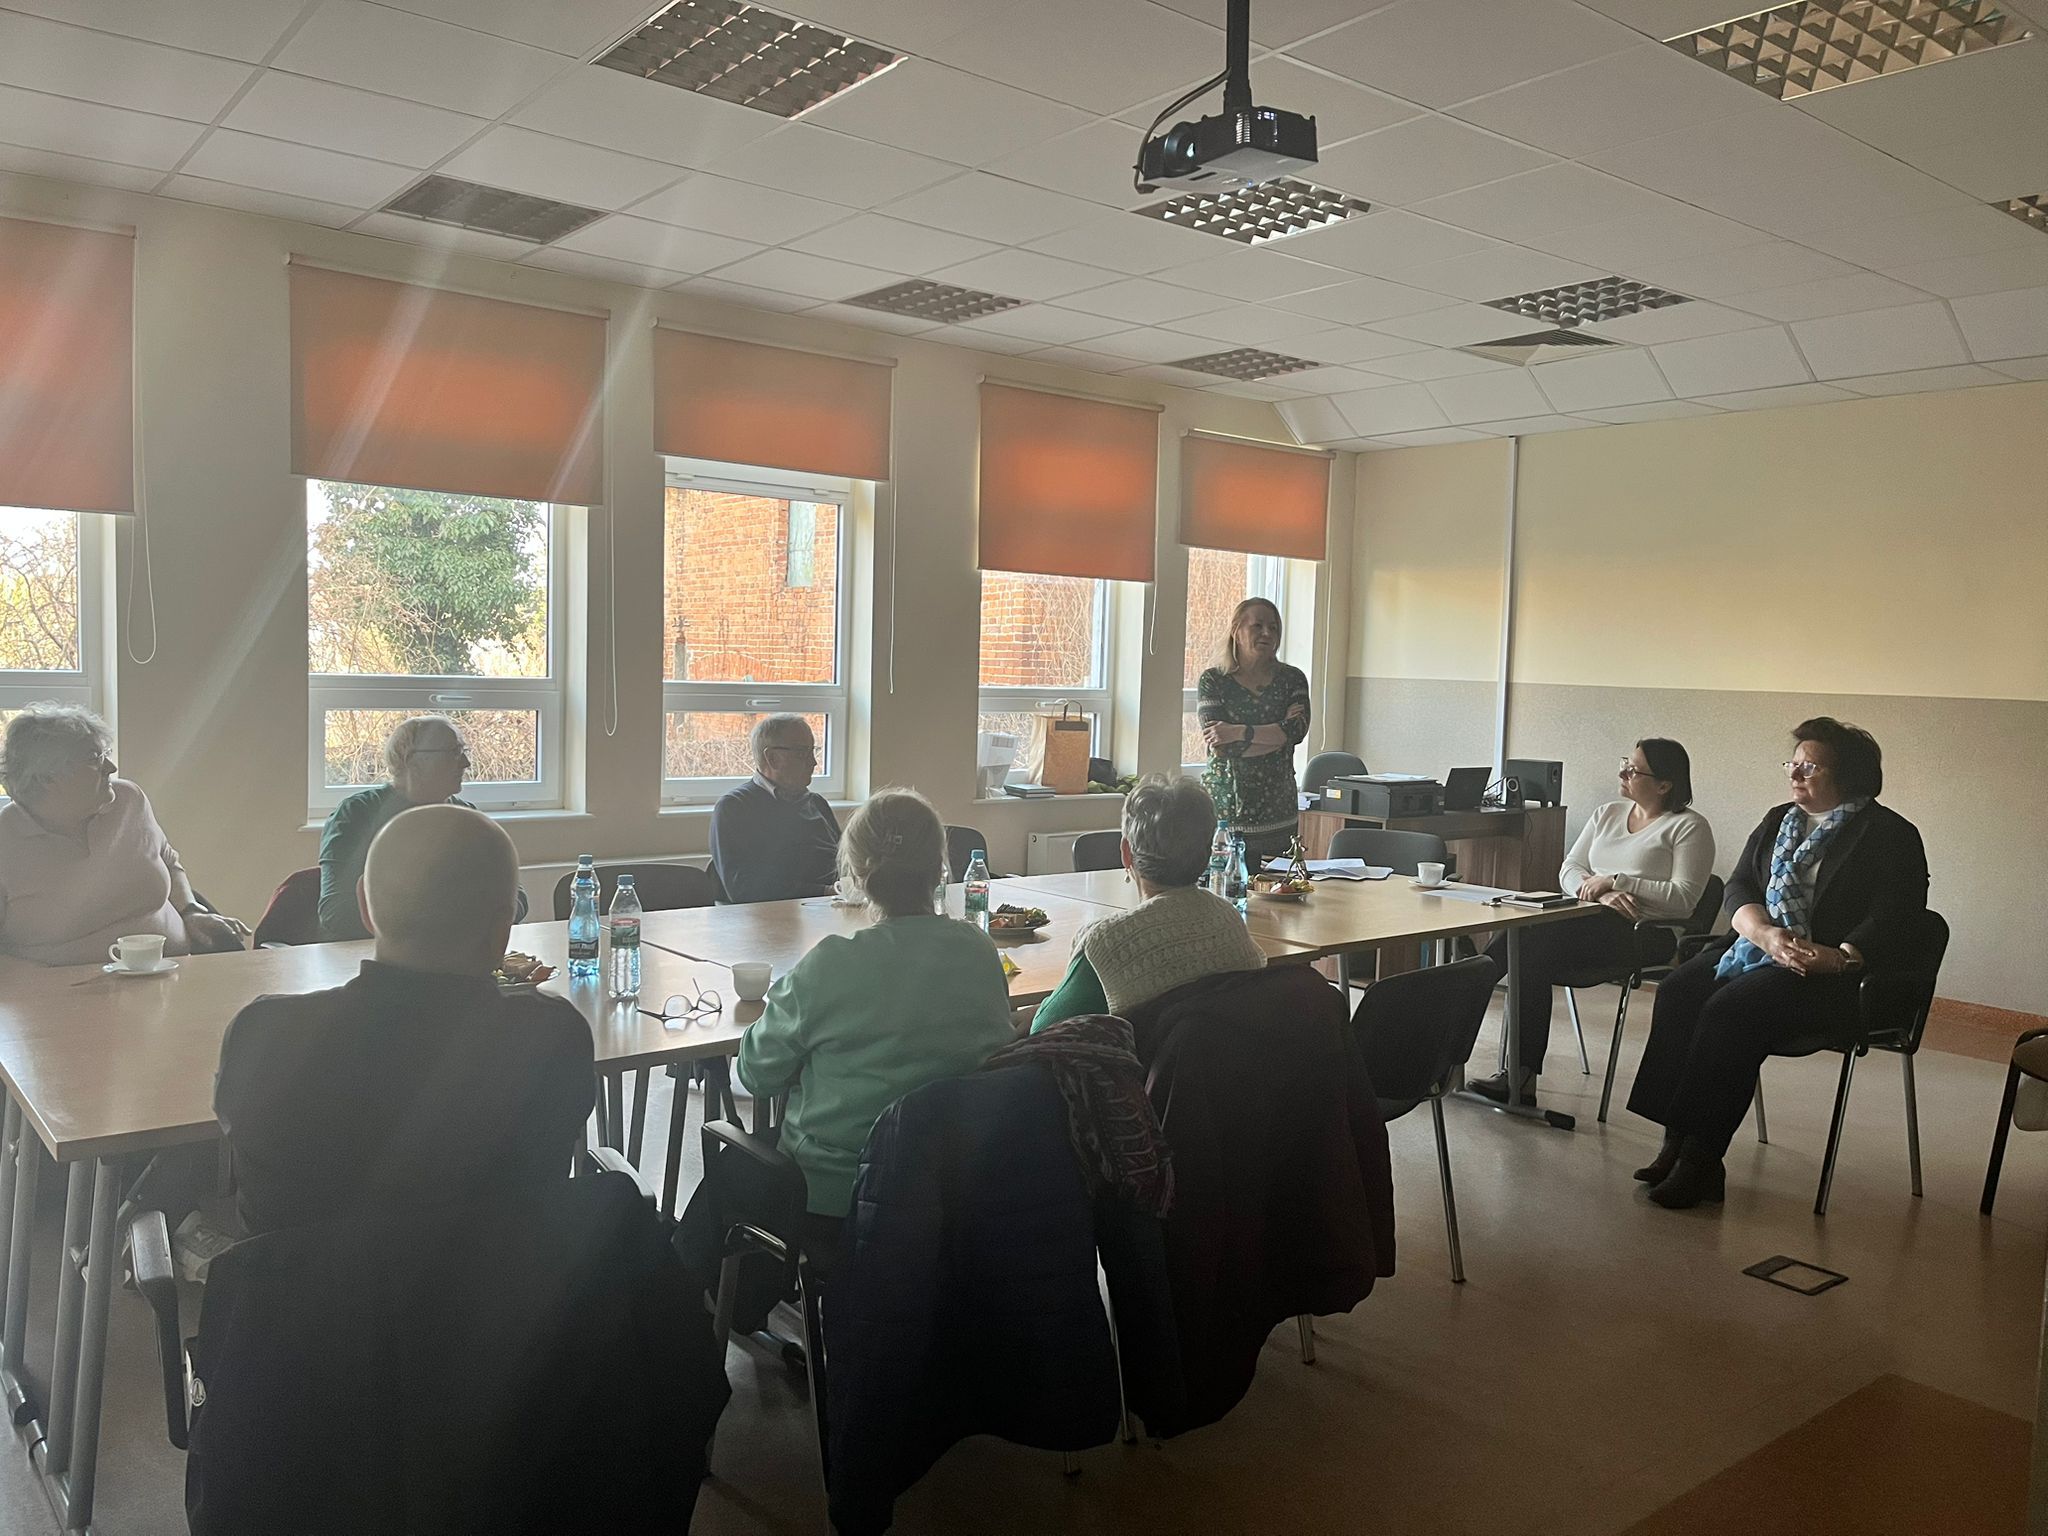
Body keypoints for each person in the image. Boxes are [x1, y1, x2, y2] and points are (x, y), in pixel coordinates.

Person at [216, 804, 594, 1235]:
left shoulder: (264, 1036)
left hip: (307, 1280)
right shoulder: (555, 1037)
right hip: (502, 1276)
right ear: (502, 928)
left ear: (364, 905)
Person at [1627, 718, 1929, 1209]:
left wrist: (1841, 956)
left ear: (1847, 775)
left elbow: (1897, 913)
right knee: (1681, 990)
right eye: (1793, 763)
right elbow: (1740, 885)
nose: (1795, 774)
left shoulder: (1889, 834)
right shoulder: (1778, 820)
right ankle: (1675, 1140)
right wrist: (1764, 934)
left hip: (1835, 975)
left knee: (1730, 1010)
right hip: (1759, 947)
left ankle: (1702, 1159)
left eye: (1809, 767)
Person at [737, 789, 1014, 1222]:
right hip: (957, 1190)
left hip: (837, 1195)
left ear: (857, 872)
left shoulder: (829, 965)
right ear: (939, 867)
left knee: (723, 1187)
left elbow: (757, 1076)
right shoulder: (979, 950)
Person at [1469, 739, 1714, 1106]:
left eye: (1634, 770)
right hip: (1585, 918)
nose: (1623, 773)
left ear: (1664, 784)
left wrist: (1616, 881)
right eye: (1625, 763)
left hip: (1643, 933)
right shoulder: (1607, 814)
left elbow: (1684, 898)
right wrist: (1600, 893)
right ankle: (1509, 1070)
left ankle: (1487, 1048)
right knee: (1524, 939)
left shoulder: (1689, 827)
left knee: (1528, 945)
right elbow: (1569, 869)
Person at [0, 705, 246, 965]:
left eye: (105, 754)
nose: (111, 767)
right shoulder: (6, 842)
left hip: (174, 972)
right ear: (47, 777)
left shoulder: (129, 801)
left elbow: (167, 861)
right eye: (94, 758)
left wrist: (190, 911)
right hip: (61, 987)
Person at [1032, 774, 1266, 1032]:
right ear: (1208, 853)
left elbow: (1043, 1030)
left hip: (1139, 1059)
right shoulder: (1228, 920)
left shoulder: (1108, 941)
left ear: (1126, 853)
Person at [317, 714, 526, 941]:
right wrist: (453, 920)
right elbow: (337, 912)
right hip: (371, 954)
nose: (466, 763)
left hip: (457, 954)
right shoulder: (357, 814)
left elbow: (516, 900)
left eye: (463, 751)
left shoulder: (469, 817)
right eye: (453, 752)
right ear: (412, 760)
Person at [1196, 597, 1312, 866]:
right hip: (1227, 812)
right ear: (1236, 631)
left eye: (1273, 627)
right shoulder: (1213, 680)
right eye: (1257, 626)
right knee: (1226, 884)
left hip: (1278, 813)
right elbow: (1223, 746)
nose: (1267, 633)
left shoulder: (1292, 679)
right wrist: (1277, 735)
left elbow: (1296, 731)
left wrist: (1237, 731)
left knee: (1279, 888)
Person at [709, 714, 841, 904]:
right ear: (772, 758)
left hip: (831, 907)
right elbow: (743, 889)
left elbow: (846, 863)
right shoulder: (735, 808)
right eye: (802, 753)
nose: (813, 762)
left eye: (813, 751)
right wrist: (824, 892)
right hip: (772, 916)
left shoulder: (816, 803)